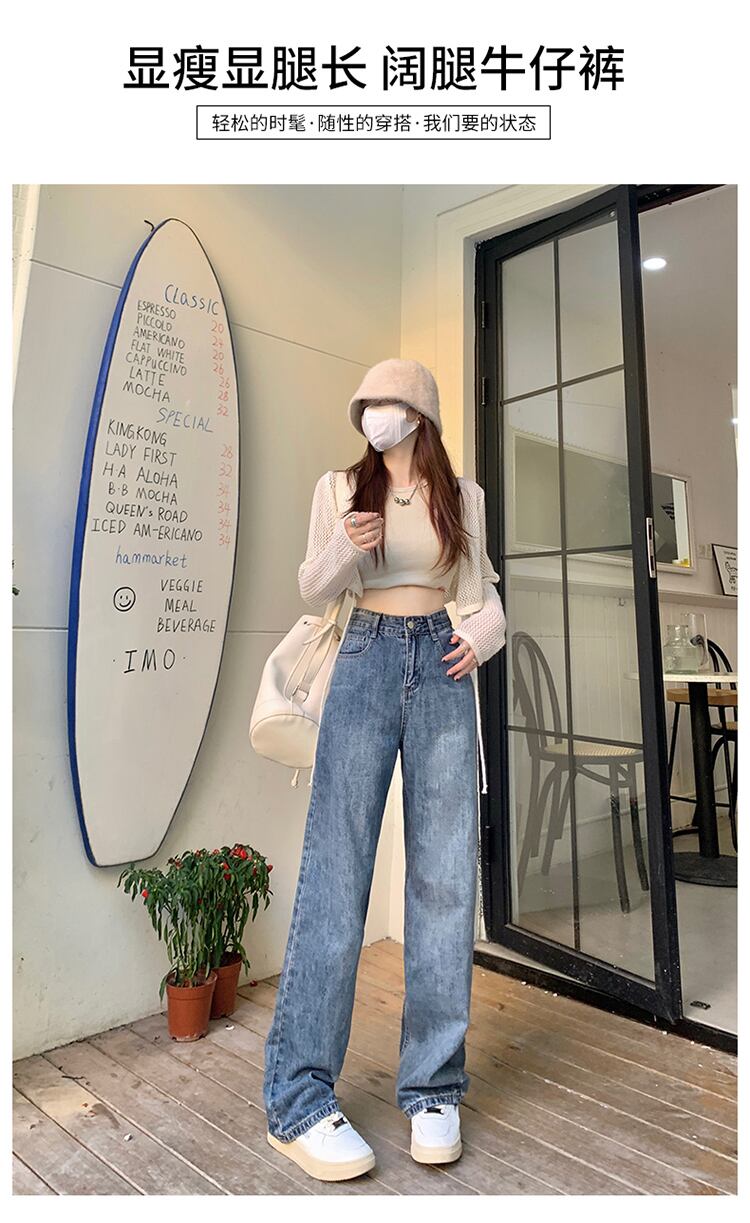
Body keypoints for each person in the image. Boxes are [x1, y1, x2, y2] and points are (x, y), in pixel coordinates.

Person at [262, 357, 507, 1182]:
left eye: (388, 403)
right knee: (337, 872)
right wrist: (346, 543)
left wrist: (482, 638)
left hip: (442, 665)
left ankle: (434, 1087)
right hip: (364, 659)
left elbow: (485, 595)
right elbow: (311, 585)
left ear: (420, 414)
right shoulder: (340, 488)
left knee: (445, 878)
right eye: (367, 404)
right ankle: (298, 1099)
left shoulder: (463, 497)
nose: (374, 415)